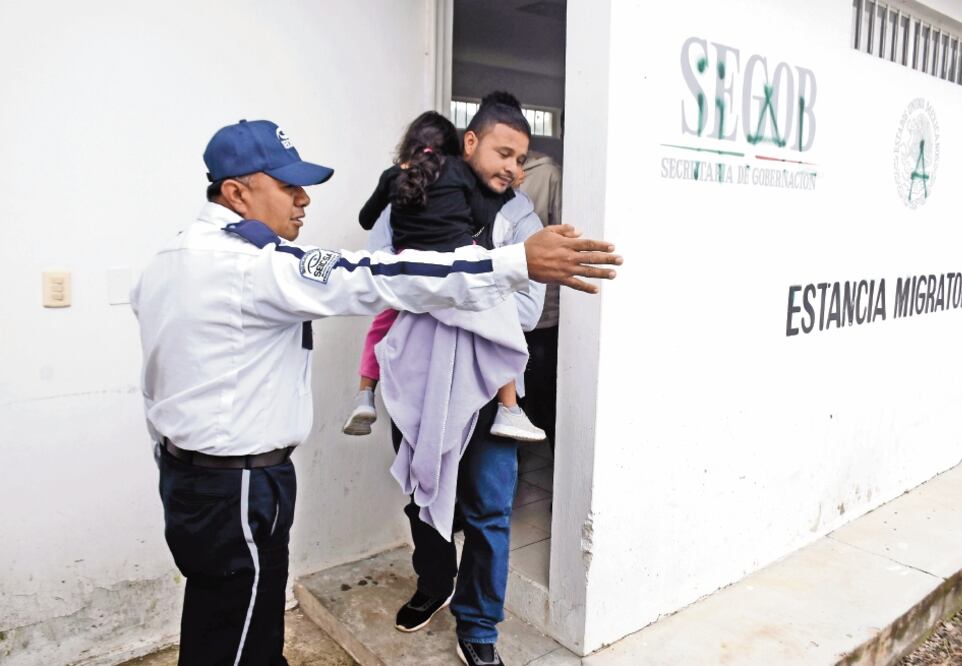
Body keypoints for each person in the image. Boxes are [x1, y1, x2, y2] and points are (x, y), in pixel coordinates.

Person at [130, 118, 621, 665]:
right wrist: (513, 261)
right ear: (236, 191)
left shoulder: (165, 263)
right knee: (235, 629)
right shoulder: (254, 265)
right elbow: (374, 273)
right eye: (288, 186)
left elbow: (156, 384)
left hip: (191, 476)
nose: (303, 199)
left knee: (227, 615)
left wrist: (175, 457)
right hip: (239, 484)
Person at [384, 92, 555, 666]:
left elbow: (529, 312)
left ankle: (479, 626)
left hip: (490, 388)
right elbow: (387, 277)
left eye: (521, 159)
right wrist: (486, 280)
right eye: (503, 153)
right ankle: (435, 582)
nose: (512, 168)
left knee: (488, 510)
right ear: (471, 142)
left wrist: (454, 284)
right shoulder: (417, 189)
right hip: (420, 376)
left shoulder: (522, 219)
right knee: (421, 491)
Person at [341, 110, 545, 442]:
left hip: (410, 266)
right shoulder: (458, 175)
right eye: (505, 155)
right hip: (459, 261)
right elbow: (484, 209)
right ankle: (510, 410)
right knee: (499, 310)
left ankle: (365, 394)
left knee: (381, 324)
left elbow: (366, 221)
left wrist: (397, 187)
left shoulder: (394, 180)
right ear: (459, 149)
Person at [518, 147, 563, 449]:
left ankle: (555, 460)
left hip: (544, 310)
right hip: (505, 309)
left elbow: (564, 237)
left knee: (542, 390)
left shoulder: (549, 175)